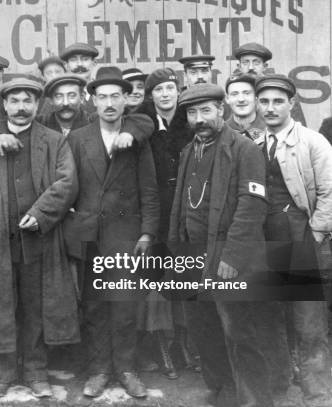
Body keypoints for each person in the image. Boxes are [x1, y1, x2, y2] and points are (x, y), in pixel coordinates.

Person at [0, 78, 79, 399]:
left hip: (39, 241)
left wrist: (41, 213)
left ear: (37, 104)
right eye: (13, 101)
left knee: (35, 306)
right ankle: (2, 373)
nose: (20, 107)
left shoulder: (53, 140)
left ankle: (35, 370)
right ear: (3, 105)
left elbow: (67, 183)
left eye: (27, 100)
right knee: (0, 306)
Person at [168, 83, 276, 407]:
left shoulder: (245, 149)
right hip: (193, 257)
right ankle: (223, 390)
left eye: (205, 111)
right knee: (204, 329)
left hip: (229, 257)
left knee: (239, 333)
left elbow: (252, 206)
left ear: (221, 110)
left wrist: (232, 256)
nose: (199, 119)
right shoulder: (189, 151)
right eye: (191, 112)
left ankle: (255, 400)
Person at [64, 66, 158, 399]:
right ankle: (99, 369)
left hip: (125, 234)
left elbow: (149, 189)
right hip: (90, 235)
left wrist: (147, 232)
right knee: (94, 306)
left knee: (125, 306)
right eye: (101, 96)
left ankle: (127, 369)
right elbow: (67, 186)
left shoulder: (137, 137)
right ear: (92, 101)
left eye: (115, 96)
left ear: (124, 100)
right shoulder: (77, 139)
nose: (108, 103)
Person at [256, 74, 332, 407]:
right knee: (272, 319)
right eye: (264, 102)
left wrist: (315, 232)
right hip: (267, 240)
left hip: (301, 237)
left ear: (292, 104)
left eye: (277, 102)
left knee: (309, 322)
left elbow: (330, 191)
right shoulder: (253, 145)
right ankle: (277, 387)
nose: (270, 109)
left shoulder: (313, 142)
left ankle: (316, 392)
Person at [137, 68, 195, 379]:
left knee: (185, 276)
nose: (165, 94)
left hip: (186, 210)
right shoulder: (142, 125)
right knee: (157, 281)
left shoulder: (190, 122)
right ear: (151, 95)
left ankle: (186, 344)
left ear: (178, 91)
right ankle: (163, 346)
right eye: (158, 90)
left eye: (170, 88)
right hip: (156, 211)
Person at [233, 42, 307, 125]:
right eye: (245, 62)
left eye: (256, 62)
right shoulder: (233, 93)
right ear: (239, 66)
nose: (251, 67)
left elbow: (299, 128)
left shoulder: (283, 90)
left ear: (265, 66)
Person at [225, 74, 266, 143]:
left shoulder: (270, 130)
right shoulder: (220, 133)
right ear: (227, 99)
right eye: (234, 94)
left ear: (256, 97)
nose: (241, 99)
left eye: (246, 93)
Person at [60, 42, 99, 113]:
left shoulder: (103, 91)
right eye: (73, 60)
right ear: (66, 65)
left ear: (94, 63)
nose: (79, 64)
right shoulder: (58, 96)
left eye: (85, 59)